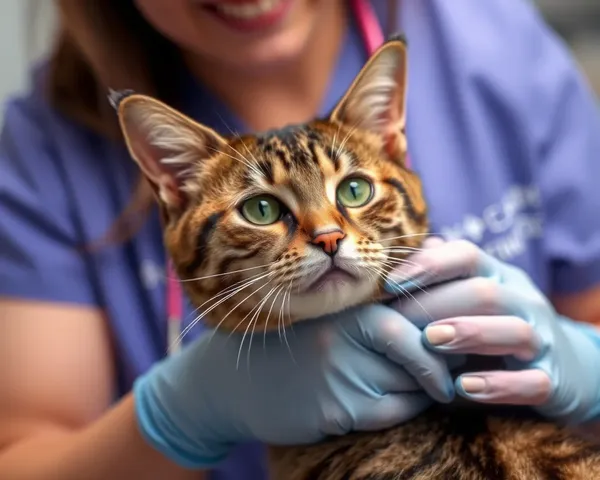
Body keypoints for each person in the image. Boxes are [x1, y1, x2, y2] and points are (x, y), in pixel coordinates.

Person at [0, 0, 600, 478]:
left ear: (394, 144)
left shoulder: (491, 38)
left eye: (354, 193)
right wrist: (183, 411)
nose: (328, 234)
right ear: (176, 190)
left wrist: (584, 363)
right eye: (263, 208)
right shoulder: (42, 154)